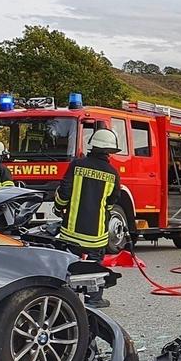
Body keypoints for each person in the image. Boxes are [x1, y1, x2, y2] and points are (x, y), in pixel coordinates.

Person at [54, 128, 122, 306]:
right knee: (95, 265)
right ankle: (94, 299)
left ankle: (67, 297)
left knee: (69, 263)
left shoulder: (76, 165)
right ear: (109, 151)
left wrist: (59, 206)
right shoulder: (112, 174)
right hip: (96, 232)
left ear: (93, 146)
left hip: (71, 230)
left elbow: (64, 190)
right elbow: (111, 201)